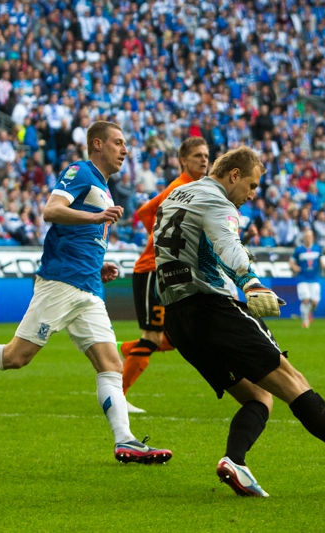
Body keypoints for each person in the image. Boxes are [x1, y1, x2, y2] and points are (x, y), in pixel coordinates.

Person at [153, 146, 325, 497]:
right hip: (212, 309)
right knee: (292, 381)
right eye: (251, 185)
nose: (251, 195)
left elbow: (184, 250)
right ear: (233, 174)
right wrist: (251, 281)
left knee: (259, 397)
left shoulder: (176, 196)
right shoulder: (219, 201)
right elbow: (228, 242)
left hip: (178, 318)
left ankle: (236, 462)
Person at [0, 121, 172, 464]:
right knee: (17, 357)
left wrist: (97, 265)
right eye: (118, 143)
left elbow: (81, 237)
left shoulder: (103, 188)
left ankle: (126, 441)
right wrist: (95, 219)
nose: (125, 150)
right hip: (60, 283)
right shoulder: (80, 171)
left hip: (87, 287)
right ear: (98, 144)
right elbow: (51, 210)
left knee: (111, 364)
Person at [118, 137, 210, 412]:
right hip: (151, 270)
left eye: (206, 155)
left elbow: (148, 212)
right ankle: (117, 397)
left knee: (171, 338)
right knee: (153, 337)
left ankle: (125, 349)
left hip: (167, 271)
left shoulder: (191, 188)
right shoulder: (179, 188)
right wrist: (162, 244)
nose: (204, 160)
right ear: (183, 161)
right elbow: (145, 213)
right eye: (197, 156)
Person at [289, 228, 322, 328]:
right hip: (302, 278)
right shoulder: (299, 250)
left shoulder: (317, 249)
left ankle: (308, 313)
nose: (308, 239)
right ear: (303, 238)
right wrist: (294, 267)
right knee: (306, 300)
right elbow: (291, 261)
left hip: (314, 278)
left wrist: (322, 265)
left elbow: (320, 260)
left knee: (315, 302)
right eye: (306, 237)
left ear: (312, 237)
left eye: (309, 236)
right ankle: (305, 321)